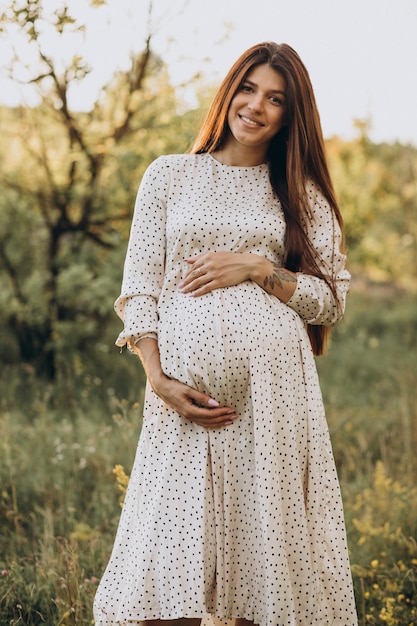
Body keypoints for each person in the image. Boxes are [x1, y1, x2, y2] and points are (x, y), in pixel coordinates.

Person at [93, 42, 358, 626]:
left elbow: (330, 300)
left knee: (260, 560)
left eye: (275, 99)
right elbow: (140, 288)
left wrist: (260, 269)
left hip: (272, 399)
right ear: (229, 91)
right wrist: (157, 378)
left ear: (292, 115)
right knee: (166, 572)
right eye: (248, 88)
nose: (256, 106)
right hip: (181, 400)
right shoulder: (170, 174)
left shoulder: (302, 191)